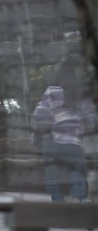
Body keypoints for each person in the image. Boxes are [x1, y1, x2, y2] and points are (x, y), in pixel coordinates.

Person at [34, 66, 96, 201]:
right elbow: (91, 122)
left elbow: (40, 115)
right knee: (77, 174)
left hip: (54, 144)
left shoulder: (52, 92)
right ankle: (81, 204)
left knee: (53, 174)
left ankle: (58, 204)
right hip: (76, 145)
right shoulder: (82, 95)